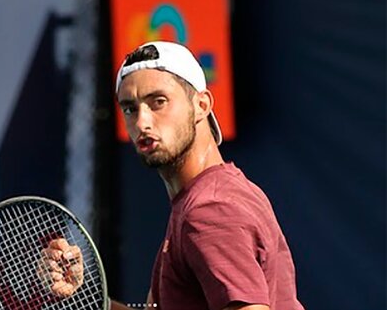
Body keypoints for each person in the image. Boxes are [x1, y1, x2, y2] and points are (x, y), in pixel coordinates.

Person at [40, 41, 305, 310]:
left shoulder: (210, 210)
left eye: (158, 102)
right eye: (130, 108)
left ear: (201, 105)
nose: (142, 122)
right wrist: (88, 298)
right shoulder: (214, 194)